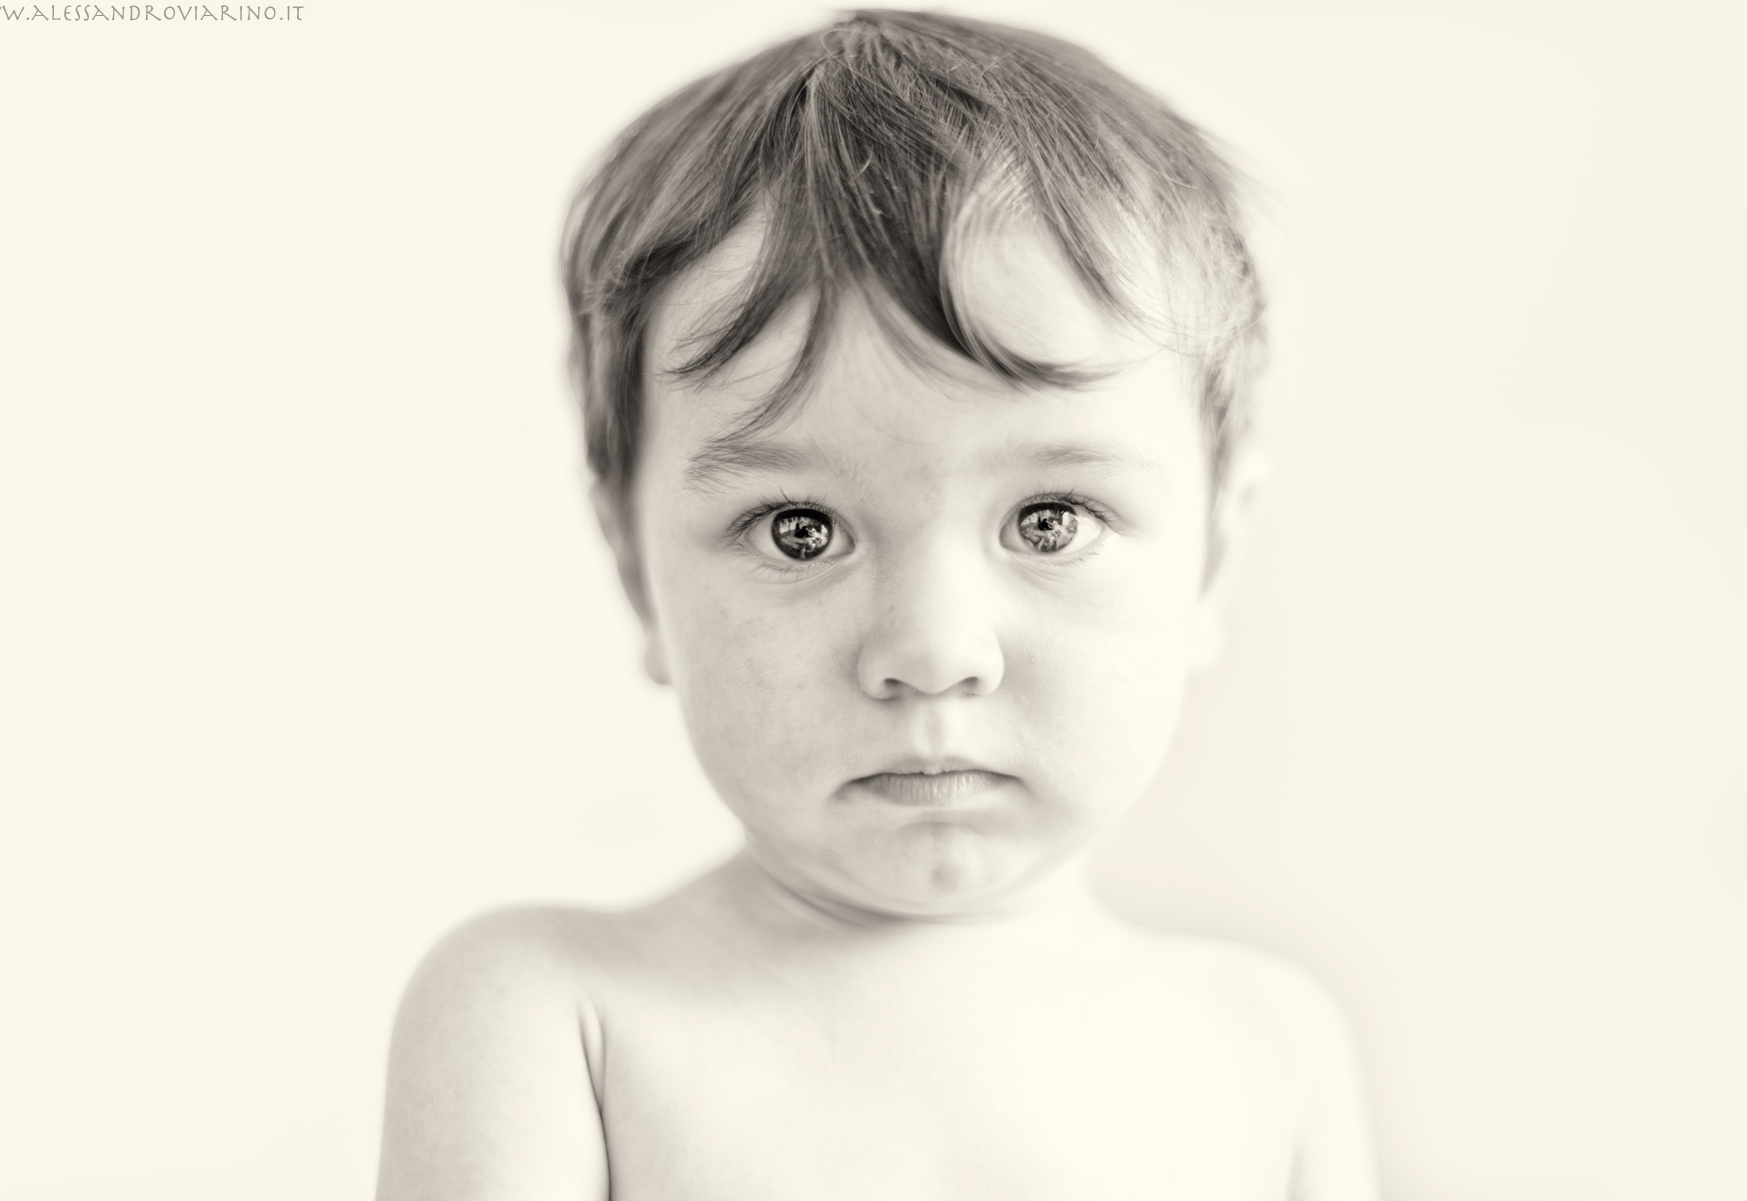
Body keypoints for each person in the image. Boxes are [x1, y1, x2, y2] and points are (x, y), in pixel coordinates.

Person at [375, 10, 1379, 1199]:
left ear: (1209, 557)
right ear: (636, 570)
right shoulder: (560, 1019)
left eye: (1049, 520)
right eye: (801, 530)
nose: (933, 651)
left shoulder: (1267, 1049)